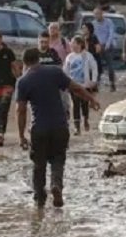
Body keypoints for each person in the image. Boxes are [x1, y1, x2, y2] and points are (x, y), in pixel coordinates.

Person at [16, 48, 100, 208]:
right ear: (39, 58)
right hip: (60, 126)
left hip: (39, 128)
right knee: (58, 159)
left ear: (25, 63)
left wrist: (21, 136)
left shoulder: (23, 81)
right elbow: (75, 88)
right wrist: (91, 99)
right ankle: (56, 185)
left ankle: (39, 199)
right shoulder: (54, 72)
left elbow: (20, 110)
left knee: (39, 164)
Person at [63, 36, 98, 135]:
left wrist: (94, 80)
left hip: (85, 85)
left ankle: (86, 119)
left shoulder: (87, 56)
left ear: (80, 44)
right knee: (75, 105)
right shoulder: (69, 57)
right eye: (71, 43)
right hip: (73, 85)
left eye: (74, 43)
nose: (72, 45)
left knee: (85, 104)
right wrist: (65, 82)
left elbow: (94, 67)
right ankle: (77, 127)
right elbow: (66, 70)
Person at [91, 7, 117, 91]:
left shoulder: (108, 22)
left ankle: (112, 83)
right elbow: (93, 35)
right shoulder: (93, 23)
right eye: (95, 14)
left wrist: (108, 44)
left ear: (102, 13)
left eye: (98, 13)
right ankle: (96, 83)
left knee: (110, 66)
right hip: (98, 46)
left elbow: (111, 33)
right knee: (96, 65)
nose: (96, 16)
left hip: (107, 45)